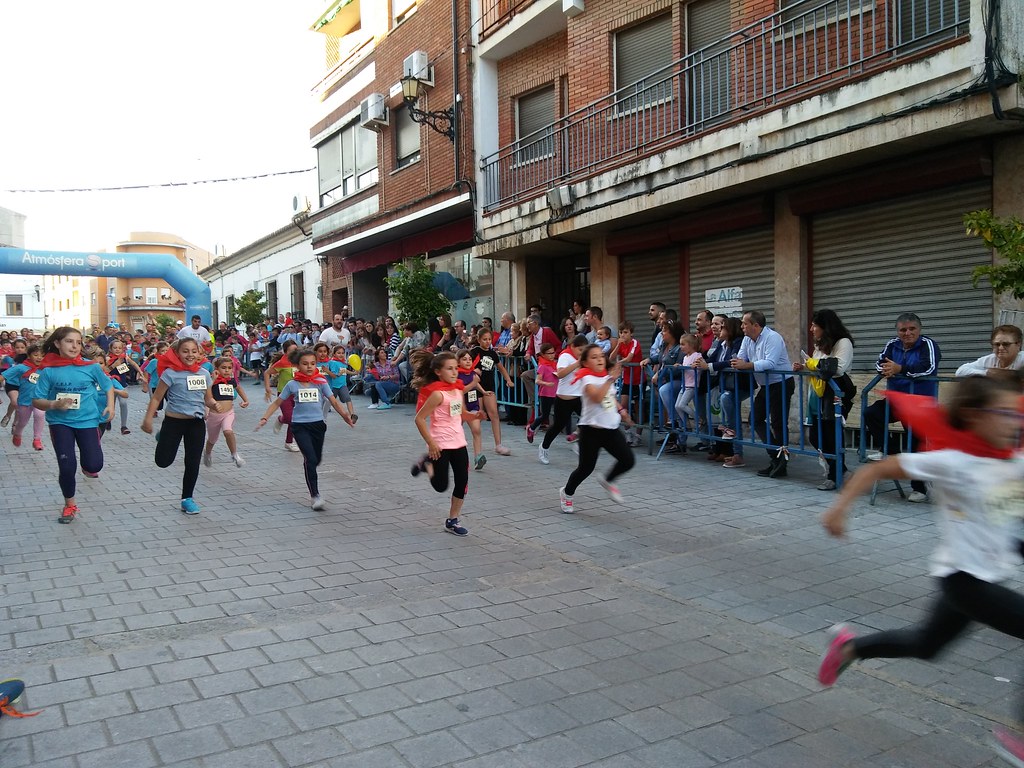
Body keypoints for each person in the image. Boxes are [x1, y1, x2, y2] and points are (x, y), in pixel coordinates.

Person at [818, 374, 1024, 768]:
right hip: (964, 580)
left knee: (926, 646)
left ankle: (850, 647)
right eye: (1004, 413)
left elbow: (1006, 523)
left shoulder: (1014, 463)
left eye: (1016, 414)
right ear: (973, 416)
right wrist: (839, 509)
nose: (1014, 422)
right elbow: (871, 471)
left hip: (987, 579)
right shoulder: (953, 462)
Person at [31, 327, 115, 524]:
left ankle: (88, 465)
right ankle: (70, 504)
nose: (75, 346)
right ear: (58, 344)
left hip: (87, 421)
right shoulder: (49, 370)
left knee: (94, 464)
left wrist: (111, 406)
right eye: (69, 341)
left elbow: (108, 385)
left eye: (78, 342)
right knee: (67, 466)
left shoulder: (91, 367)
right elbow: (37, 400)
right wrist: (53, 404)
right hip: (60, 423)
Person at [256, 347, 356, 510]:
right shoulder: (292, 385)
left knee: (316, 459)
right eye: (305, 364)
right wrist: (264, 418)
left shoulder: (321, 382)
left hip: (318, 425)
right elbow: (277, 403)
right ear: (297, 366)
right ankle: (315, 496)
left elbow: (334, 402)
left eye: (312, 363)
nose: (309, 367)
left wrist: (346, 417)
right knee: (310, 459)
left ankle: (310, 468)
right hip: (300, 426)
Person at [863, 312, 941, 502]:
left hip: (920, 403)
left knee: (916, 442)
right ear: (897, 332)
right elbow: (880, 363)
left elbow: (928, 367)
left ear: (919, 329)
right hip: (897, 399)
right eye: (903, 330)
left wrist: (900, 370)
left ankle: (919, 488)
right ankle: (892, 452)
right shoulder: (892, 344)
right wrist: (885, 369)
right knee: (871, 413)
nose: (907, 333)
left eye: (911, 329)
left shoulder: (928, 345)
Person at [410, 350, 483, 536]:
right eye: (449, 369)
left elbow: (460, 414)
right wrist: (431, 443)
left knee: (462, 482)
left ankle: (453, 520)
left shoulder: (458, 389)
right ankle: (427, 463)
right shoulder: (436, 395)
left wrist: (474, 415)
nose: (454, 372)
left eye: (455, 368)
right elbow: (419, 419)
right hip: (440, 444)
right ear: (438, 372)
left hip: (459, 442)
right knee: (441, 486)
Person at [140, 338, 217, 515]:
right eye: (185, 351)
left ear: (199, 353)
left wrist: (214, 405)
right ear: (177, 353)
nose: (190, 354)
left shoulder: (204, 374)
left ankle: (187, 498)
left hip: (196, 423)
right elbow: (157, 398)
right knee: (163, 461)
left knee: (192, 461)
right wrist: (148, 420)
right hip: (174, 421)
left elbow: (208, 398)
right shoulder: (170, 373)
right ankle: (163, 436)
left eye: (193, 351)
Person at [559, 345, 636, 513]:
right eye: (594, 357)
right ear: (585, 363)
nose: (600, 359)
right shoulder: (586, 379)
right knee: (585, 468)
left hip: (610, 429)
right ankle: (567, 492)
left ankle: (608, 480)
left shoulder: (604, 377)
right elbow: (597, 397)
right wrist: (610, 379)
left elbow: (608, 398)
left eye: (601, 356)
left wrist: (622, 411)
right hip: (591, 431)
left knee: (628, 460)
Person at [793, 309, 856, 490]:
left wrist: (814, 364)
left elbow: (838, 368)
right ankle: (841, 471)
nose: (811, 329)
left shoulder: (843, 343)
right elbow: (818, 366)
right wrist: (804, 366)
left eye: (814, 325)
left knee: (832, 434)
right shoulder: (820, 345)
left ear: (825, 327)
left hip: (836, 394)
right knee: (815, 435)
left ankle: (834, 475)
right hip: (819, 394)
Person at [731, 310, 794, 479]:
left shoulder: (772, 337)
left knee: (778, 423)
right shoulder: (747, 339)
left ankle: (781, 462)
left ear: (756, 325)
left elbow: (770, 362)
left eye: (745, 323)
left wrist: (747, 365)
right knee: (755, 419)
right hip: (766, 385)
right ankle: (775, 455)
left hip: (781, 383)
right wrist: (738, 362)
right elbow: (741, 358)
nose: (742, 326)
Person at [700, 314, 745, 466]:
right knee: (725, 413)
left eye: (722, 326)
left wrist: (710, 366)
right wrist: (701, 362)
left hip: (739, 385)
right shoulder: (721, 343)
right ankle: (729, 447)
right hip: (723, 385)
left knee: (729, 413)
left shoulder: (738, 342)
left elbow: (731, 361)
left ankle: (733, 446)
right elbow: (713, 359)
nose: (718, 329)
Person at [539, 335, 588, 464]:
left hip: (579, 397)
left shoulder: (584, 357)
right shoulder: (565, 356)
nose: (582, 353)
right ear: (572, 347)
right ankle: (544, 447)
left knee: (588, 421)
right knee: (557, 426)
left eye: (584, 350)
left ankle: (579, 443)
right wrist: (577, 363)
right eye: (580, 350)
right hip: (564, 398)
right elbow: (560, 374)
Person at [471, 329, 514, 457]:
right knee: (477, 416)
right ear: (479, 340)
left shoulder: (492, 354)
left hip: (489, 387)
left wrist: (508, 379)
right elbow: (466, 366)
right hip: (476, 387)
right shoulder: (475, 352)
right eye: (484, 339)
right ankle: (475, 446)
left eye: (489, 339)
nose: (487, 341)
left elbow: (501, 368)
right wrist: (474, 370)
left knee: (494, 414)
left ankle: (498, 444)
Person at [203, 356, 250, 468]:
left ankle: (234, 454)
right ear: (217, 368)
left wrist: (246, 400)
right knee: (212, 439)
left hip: (228, 412)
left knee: (228, 431)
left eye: (229, 368)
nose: (227, 370)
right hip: (214, 415)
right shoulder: (212, 381)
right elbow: (206, 394)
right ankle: (207, 453)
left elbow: (238, 388)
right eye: (223, 368)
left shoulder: (231, 380)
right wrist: (212, 380)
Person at [3, 343, 44, 450]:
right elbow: (3, 376)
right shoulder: (21, 367)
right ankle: (17, 433)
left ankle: (37, 439)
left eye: (42, 355)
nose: (39, 357)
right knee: (22, 422)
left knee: (39, 415)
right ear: (29, 356)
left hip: (40, 400)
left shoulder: (46, 369)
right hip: (24, 400)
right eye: (36, 355)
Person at [264, 339, 300, 451]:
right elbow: (267, 373)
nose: (294, 352)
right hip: (284, 394)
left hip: (299, 393)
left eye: (296, 349)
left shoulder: (300, 361)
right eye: (291, 350)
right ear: (285, 352)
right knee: (290, 418)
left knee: (295, 419)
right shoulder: (282, 363)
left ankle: (289, 441)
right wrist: (268, 388)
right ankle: (281, 419)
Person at [956, 325, 1024, 377]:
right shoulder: (989, 360)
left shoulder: (1022, 359)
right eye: (997, 344)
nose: (1000, 348)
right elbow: (960, 371)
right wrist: (987, 373)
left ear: (1018, 344)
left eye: (1006, 344)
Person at [526, 343, 558, 445]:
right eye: (549, 353)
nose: (552, 355)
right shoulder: (543, 366)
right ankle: (531, 428)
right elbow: (537, 381)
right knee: (545, 415)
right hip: (546, 394)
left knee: (559, 415)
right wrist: (547, 383)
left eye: (553, 352)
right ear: (543, 355)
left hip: (556, 393)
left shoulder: (555, 364)